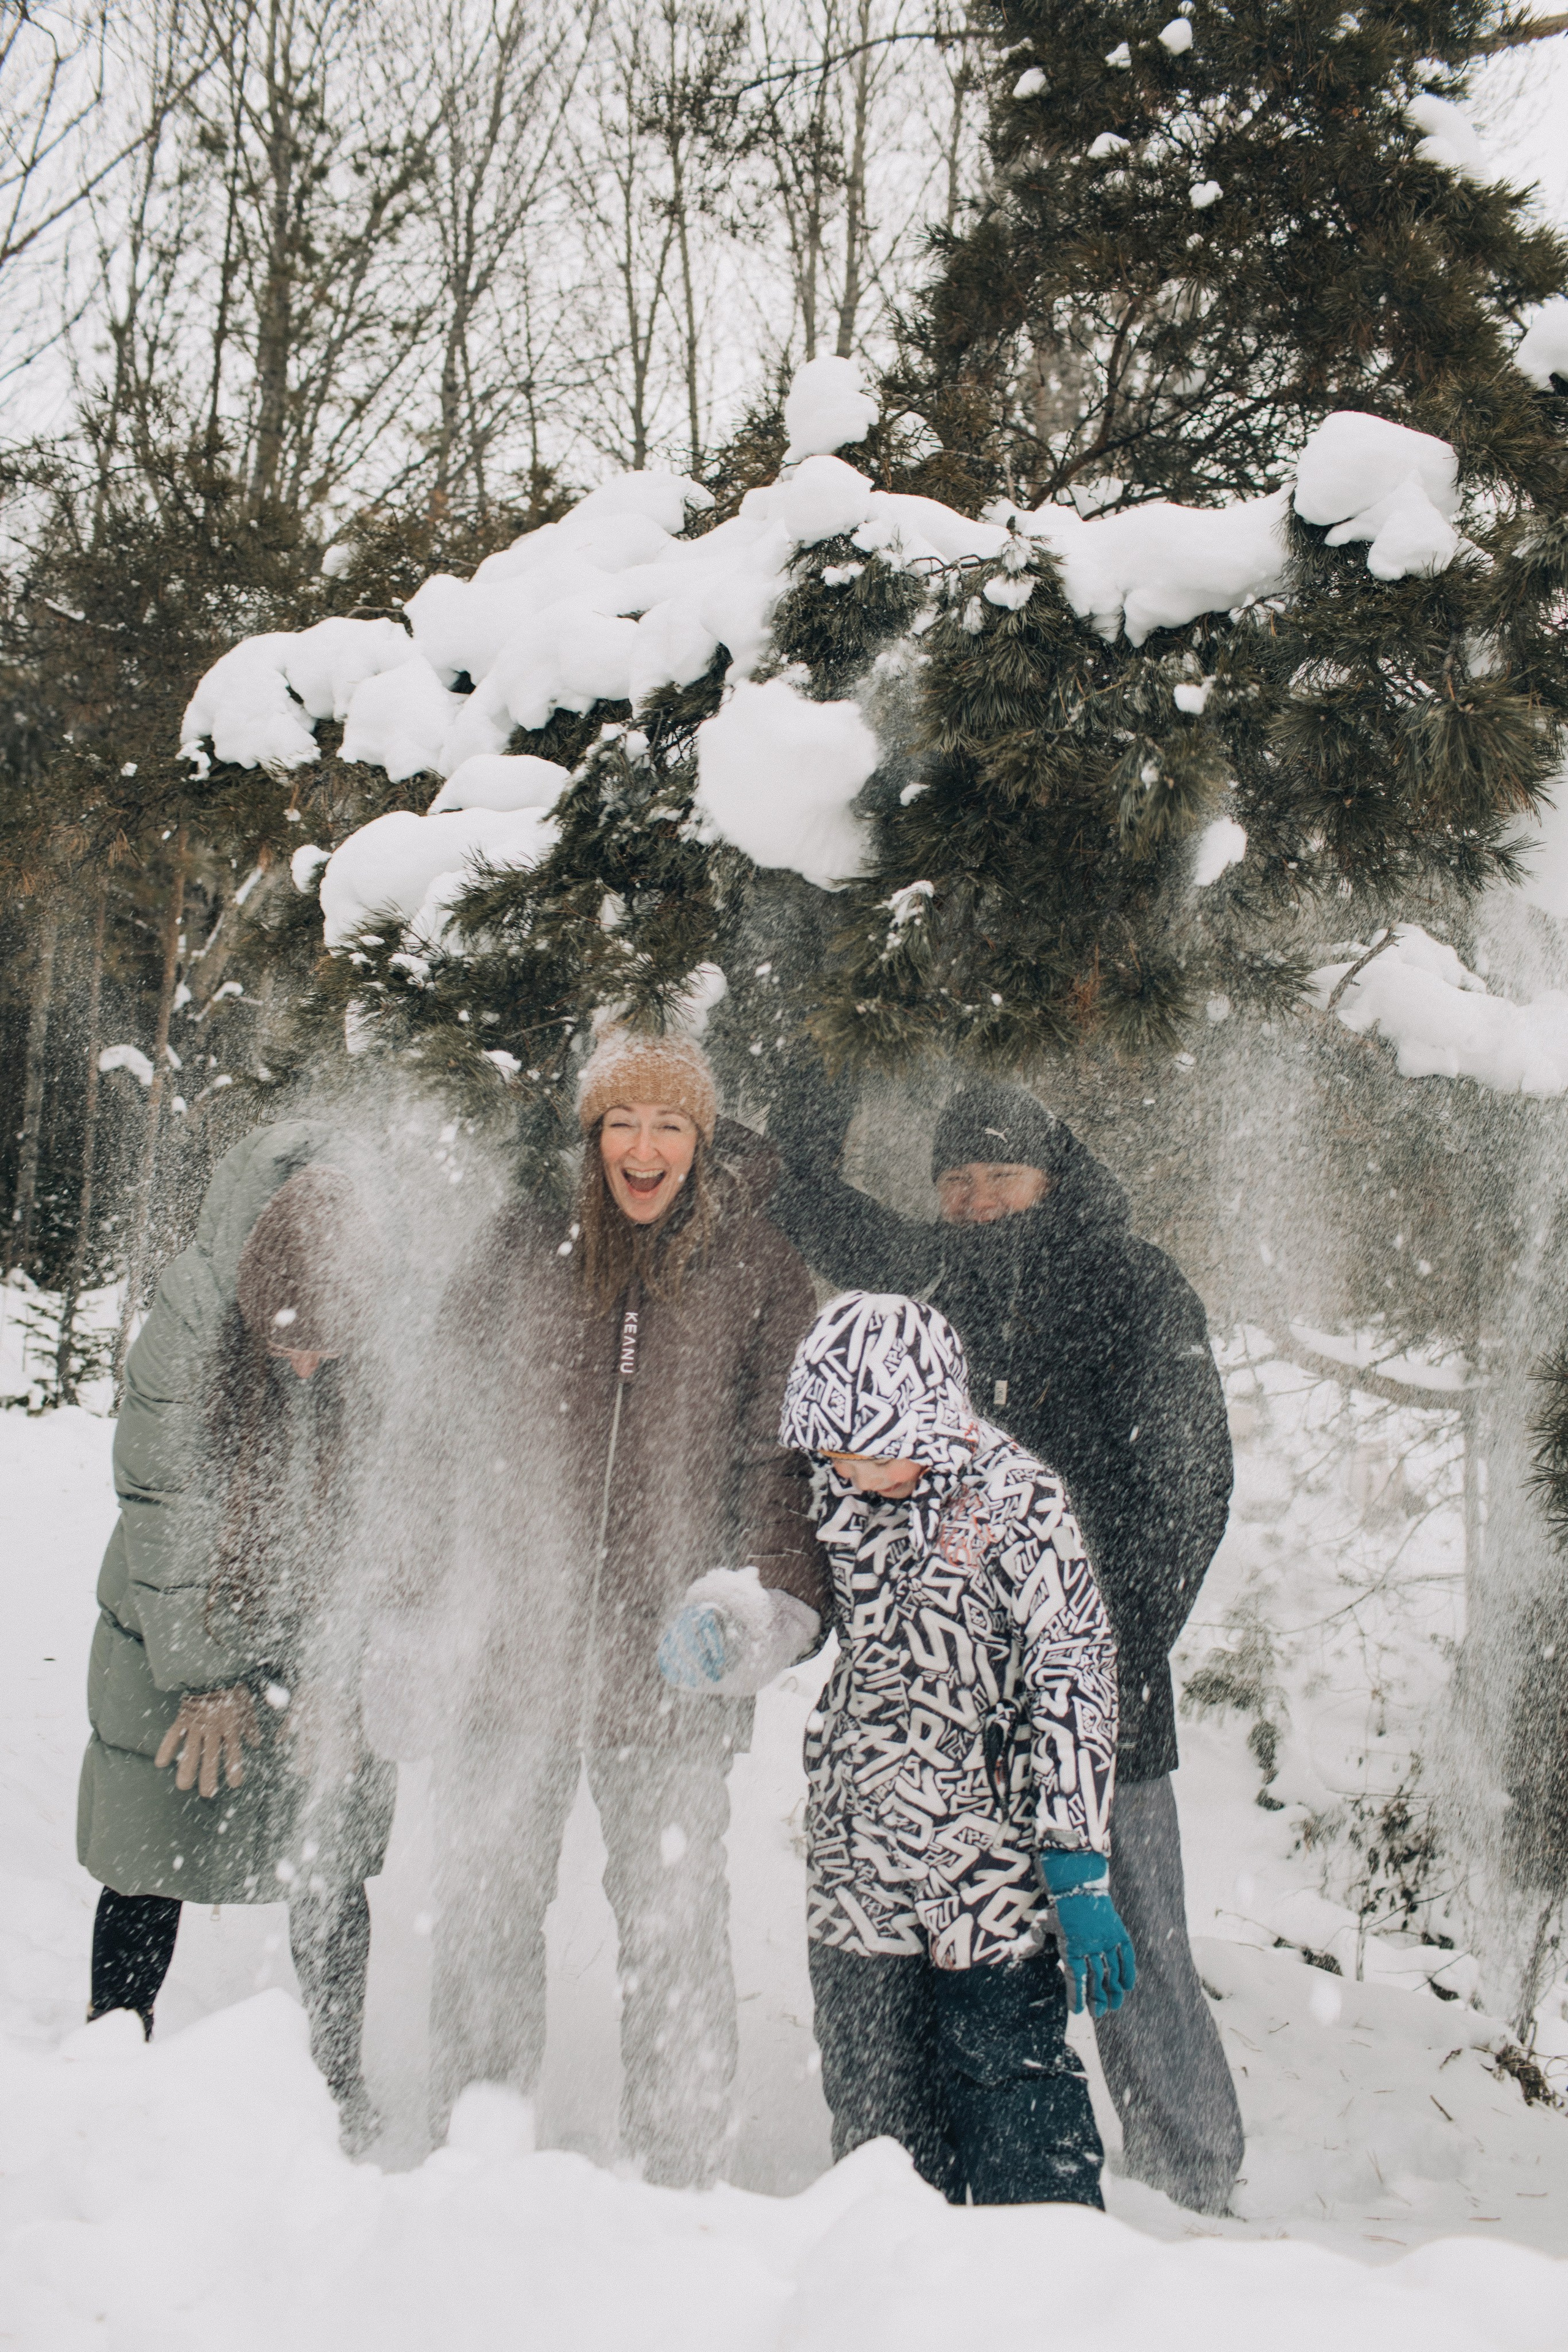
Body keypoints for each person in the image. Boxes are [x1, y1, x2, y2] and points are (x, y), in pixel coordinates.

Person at [769, 1070, 1242, 2214]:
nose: (977, 1199)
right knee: (992, 1963)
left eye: (1000, 1176)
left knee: (1132, 1925)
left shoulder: (1130, 1282)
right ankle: (948, 2167)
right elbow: (808, 1202)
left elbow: (1190, 1477)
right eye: (956, 1180)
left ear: (1051, 1175)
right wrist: (831, 1054)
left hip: (1101, 1677)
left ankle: (1193, 2172)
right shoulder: (930, 1284)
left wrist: (1108, 1648)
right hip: (950, 1717)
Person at [403, 1027, 827, 2184]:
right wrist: (414, 1603)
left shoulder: (759, 1270)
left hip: (670, 1671)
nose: (646, 1149)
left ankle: (679, 2177)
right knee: (488, 1910)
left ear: (702, 1138)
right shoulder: (517, 1247)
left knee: (675, 1929)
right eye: (622, 1125)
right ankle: (475, 2159)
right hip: (512, 1657)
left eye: (671, 1125)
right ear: (592, 1137)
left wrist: (750, 1613)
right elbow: (437, 1430)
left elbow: (781, 1469)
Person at [769, 1288, 1131, 2207]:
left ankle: (1043, 2279)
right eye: (838, 1451)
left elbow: (1074, 1677)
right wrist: (739, 1622)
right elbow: (789, 1586)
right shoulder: (836, 1488)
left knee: (1012, 2090)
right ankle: (896, 2284)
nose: (856, 1473)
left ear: (931, 1420)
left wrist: (1077, 1859)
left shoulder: (1019, 1504)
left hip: (987, 1862)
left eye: (876, 1450)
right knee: (877, 2109)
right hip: (860, 1851)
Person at [78, 1126, 396, 2151]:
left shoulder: (389, 1328)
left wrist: (336, 1682)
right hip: (177, 1626)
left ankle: (335, 2087)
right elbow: (162, 1495)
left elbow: (397, 1518)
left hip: (313, 1628)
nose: (305, 1362)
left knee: (329, 1848)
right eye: (287, 1341)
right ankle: (105, 2063)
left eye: (326, 1345)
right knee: (146, 1844)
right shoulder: (191, 1311)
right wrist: (208, 1675)